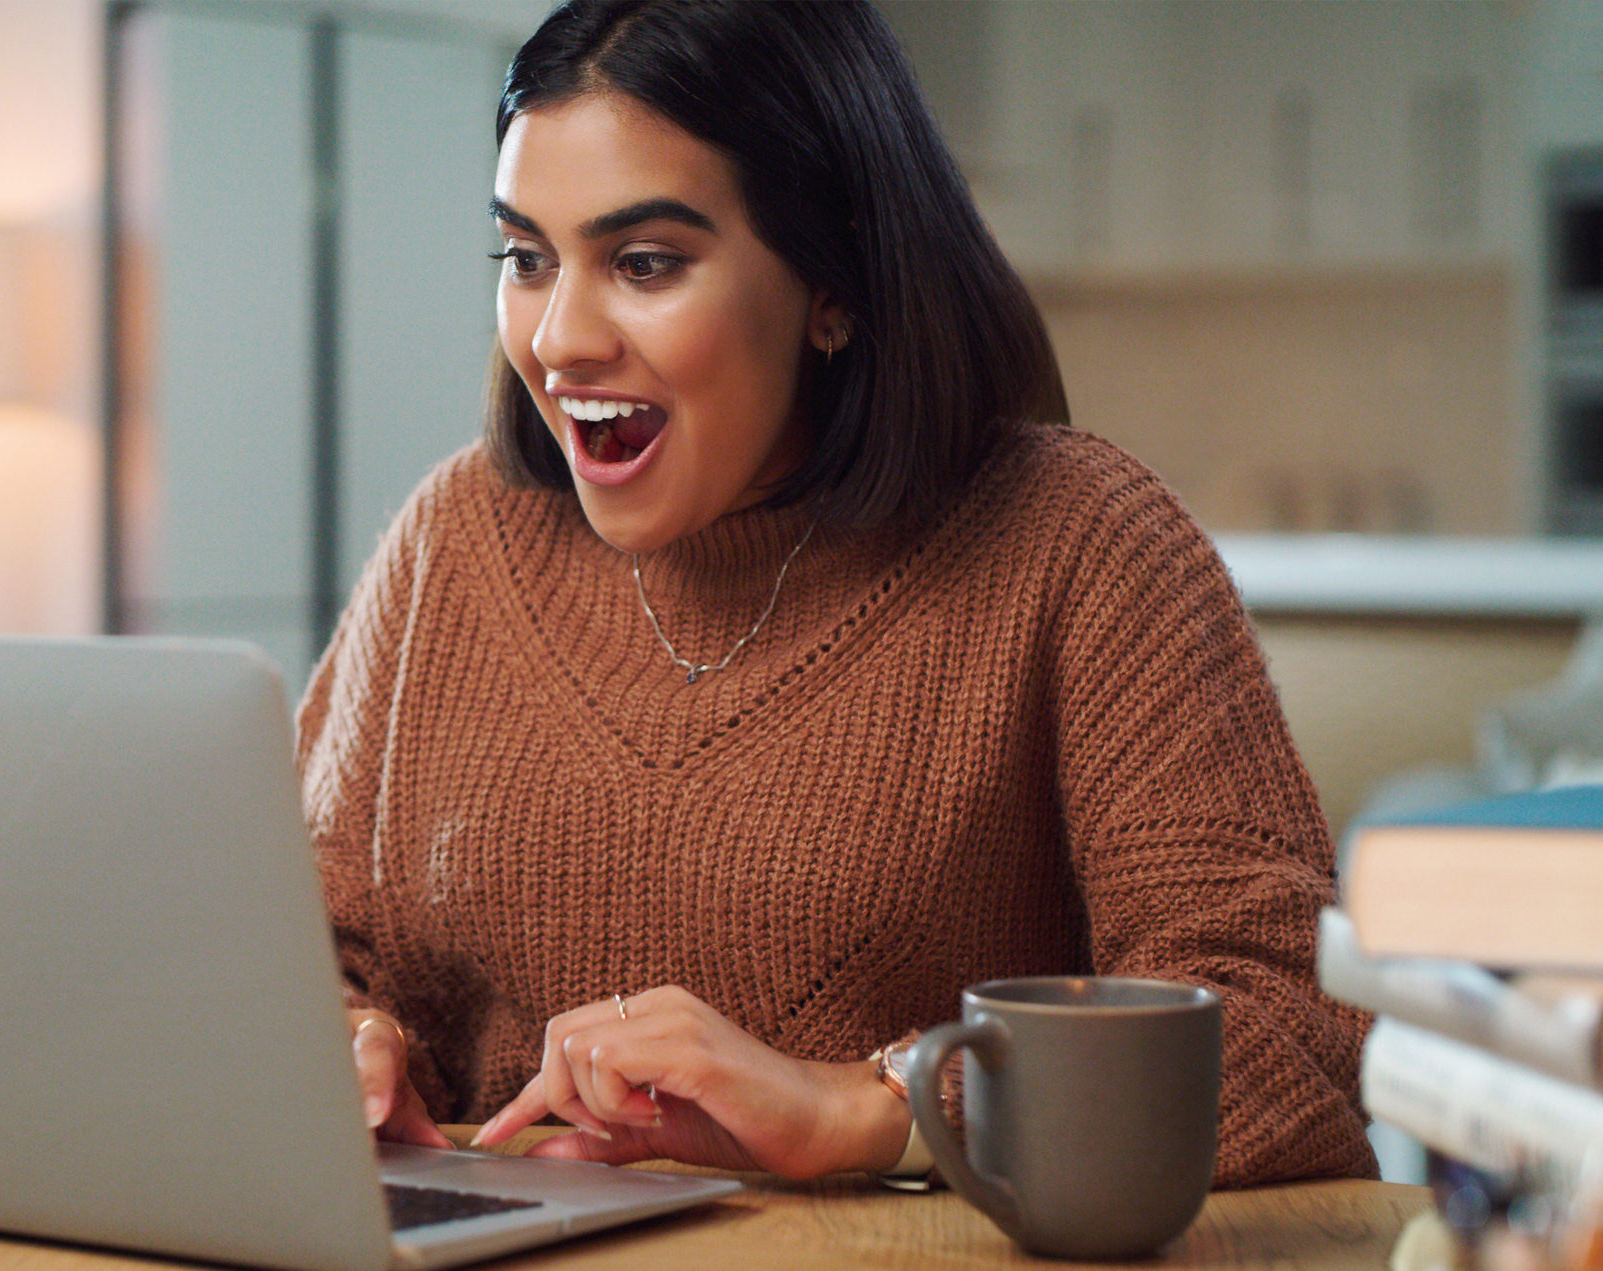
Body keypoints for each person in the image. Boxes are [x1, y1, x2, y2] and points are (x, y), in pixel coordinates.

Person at [296, 0, 1376, 1187]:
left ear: (832, 286)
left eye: (644, 263)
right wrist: (349, 1042)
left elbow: (1287, 1029)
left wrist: (866, 1110)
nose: (557, 338)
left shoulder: (1077, 543)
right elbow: (299, 943)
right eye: (525, 259)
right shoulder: (454, 537)